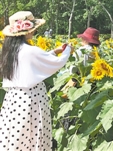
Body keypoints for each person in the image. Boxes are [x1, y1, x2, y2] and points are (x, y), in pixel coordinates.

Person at [0, 11, 73, 151]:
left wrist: (53, 51)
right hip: (31, 99)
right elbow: (56, 63)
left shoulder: (9, 51)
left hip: (13, 99)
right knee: (33, 138)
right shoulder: (30, 50)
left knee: (16, 137)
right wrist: (67, 50)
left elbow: (31, 63)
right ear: (26, 30)